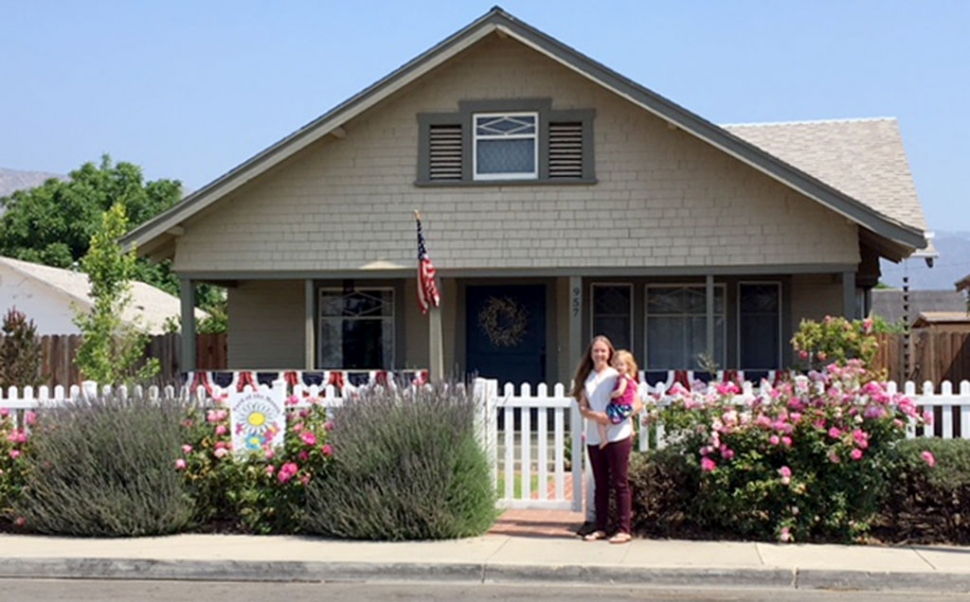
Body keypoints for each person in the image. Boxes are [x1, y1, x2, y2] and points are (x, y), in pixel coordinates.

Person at [571, 335, 641, 544]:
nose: (600, 354)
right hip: (595, 436)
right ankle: (600, 527)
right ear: (590, 354)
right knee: (600, 483)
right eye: (596, 351)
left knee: (620, 482)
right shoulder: (587, 378)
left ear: (609, 353)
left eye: (603, 351)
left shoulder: (617, 375)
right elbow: (582, 407)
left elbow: (637, 404)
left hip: (618, 434)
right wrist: (596, 416)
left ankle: (623, 529)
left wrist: (614, 417)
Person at [597, 350, 639, 450]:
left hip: (619, 406)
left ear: (628, 366)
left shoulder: (623, 379)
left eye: (621, 365)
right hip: (627, 406)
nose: (618, 367)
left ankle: (604, 439)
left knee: (601, 420)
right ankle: (632, 431)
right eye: (616, 365)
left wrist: (610, 395)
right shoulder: (630, 379)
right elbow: (635, 388)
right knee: (629, 417)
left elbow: (620, 391)